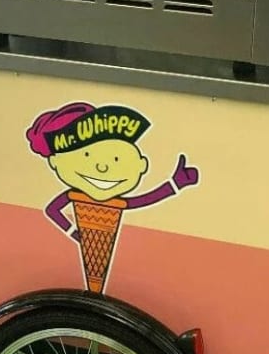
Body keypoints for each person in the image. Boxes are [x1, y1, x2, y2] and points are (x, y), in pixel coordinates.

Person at [26, 101, 200, 293]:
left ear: (141, 164)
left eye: (116, 158)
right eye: (86, 156)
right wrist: (75, 232)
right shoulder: (74, 194)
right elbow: (52, 210)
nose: (102, 167)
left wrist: (175, 184)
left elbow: (143, 199)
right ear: (55, 161)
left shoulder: (116, 202)